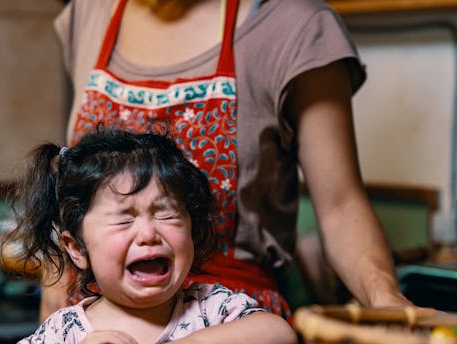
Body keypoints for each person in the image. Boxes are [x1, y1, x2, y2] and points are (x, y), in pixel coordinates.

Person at [40, 0, 412, 323]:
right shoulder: (90, 13)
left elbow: (341, 206)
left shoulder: (293, 27)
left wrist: (387, 301)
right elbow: (79, 181)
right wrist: (55, 276)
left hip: (229, 331)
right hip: (96, 328)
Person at [7, 128, 297, 344]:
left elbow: (279, 333)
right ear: (77, 249)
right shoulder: (66, 331)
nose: (148, 234)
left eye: (166, 214)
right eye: (124, 219)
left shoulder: (207, 308)